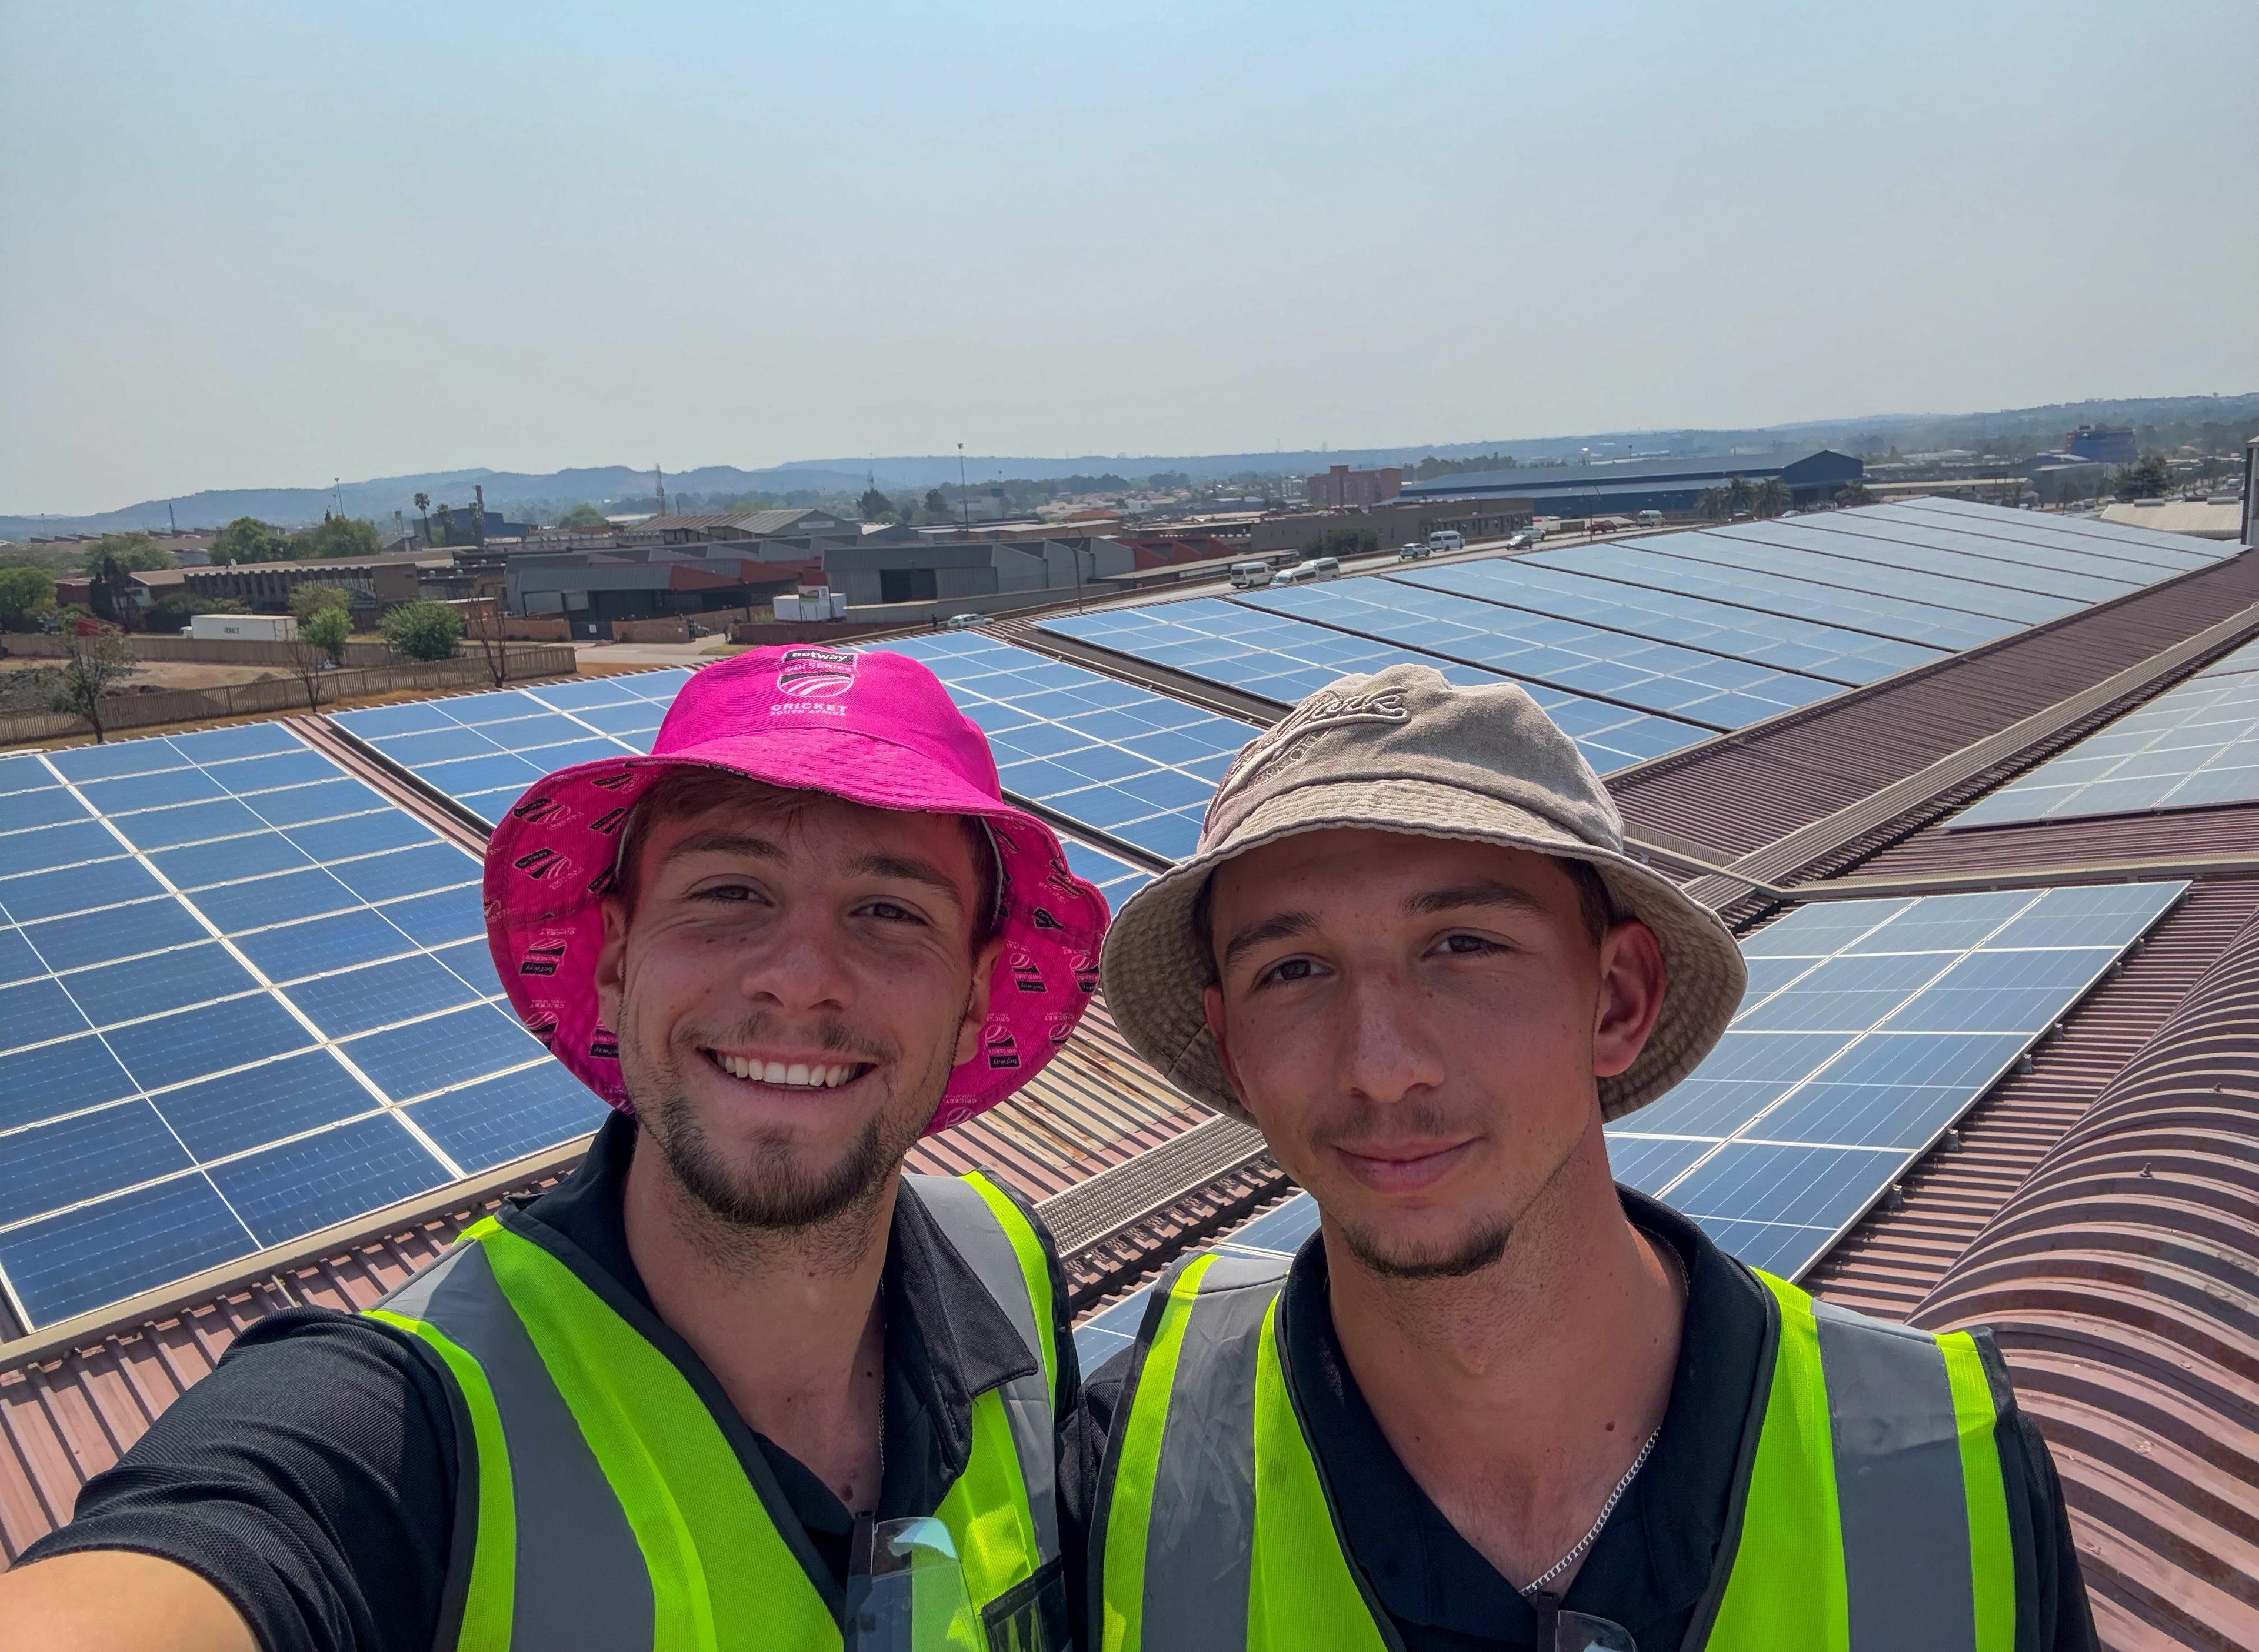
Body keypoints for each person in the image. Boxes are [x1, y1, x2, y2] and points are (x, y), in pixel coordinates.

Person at [2, 643, 1109, 1652]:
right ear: (618, 961)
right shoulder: (407, 1428)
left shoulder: (1006, 1264)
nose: (799, 973)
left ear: (973, 996)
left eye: (889, 911)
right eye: (728, 892)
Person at [1073, 664, 2095, 1651]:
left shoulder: (1946, 1474)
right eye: (1293, 971)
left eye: (1463, 945)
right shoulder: (1124, 1468)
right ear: (1231, 1053)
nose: (1382, 1068)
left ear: (1617, 1001)